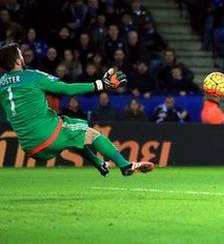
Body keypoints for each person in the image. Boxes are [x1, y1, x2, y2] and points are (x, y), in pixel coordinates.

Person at [0, 43, 154, 176]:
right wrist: (100, 84)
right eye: (21, 54)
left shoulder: (1, 83)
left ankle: (99, 163)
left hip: (29, 147)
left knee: (74, 133)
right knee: (92, 134)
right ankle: (125, 165)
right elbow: (68, 90)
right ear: (18, 61)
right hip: (48, 135)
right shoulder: (32, 76)